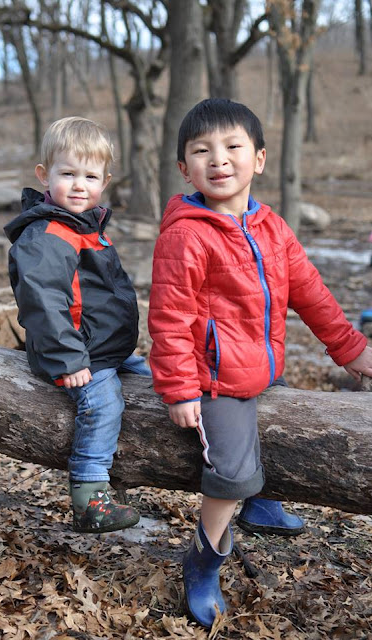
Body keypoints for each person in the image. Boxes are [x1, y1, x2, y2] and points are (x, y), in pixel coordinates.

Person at [148, 98, 372, 628]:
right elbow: (169, 318)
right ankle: (204, 559)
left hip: (263, 368)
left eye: (233, 147)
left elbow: (311, 293)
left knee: (273, 431)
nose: (219, 159)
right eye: (202, 151)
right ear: (184, 168)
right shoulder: (187, 234)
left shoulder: (271, 228)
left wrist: (352, 350)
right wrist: (179, 388)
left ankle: (261, 502)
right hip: (216, 380)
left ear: (260, 159)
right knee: (228, 470)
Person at [4, 116, 147, 535]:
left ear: (105, 181)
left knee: (159, 383)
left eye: (90, 176)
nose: (79, 185)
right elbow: (43, 301)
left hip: (103, 349)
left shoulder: (85, 226)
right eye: (68, 174)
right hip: (75, 353)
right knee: (103, 405)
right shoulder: (49, 234)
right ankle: (89, 496)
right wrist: (68, 359)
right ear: (44, 175)